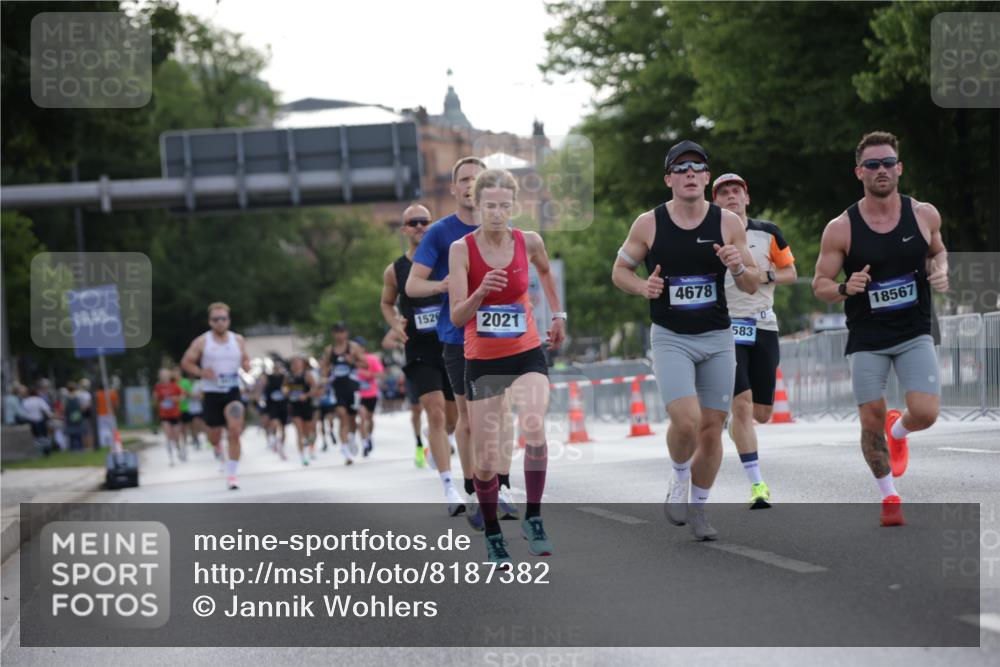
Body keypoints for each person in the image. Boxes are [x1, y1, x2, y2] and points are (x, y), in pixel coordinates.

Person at [612, 140, 759, 541]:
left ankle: (699, 507)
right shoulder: (649, 223)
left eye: (697, 167)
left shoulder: (729, 223)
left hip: (717, 336)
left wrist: (737, 265)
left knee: (713, 428)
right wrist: (644, 287)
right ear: (669, 179)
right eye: (681, 168)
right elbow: (619, 272)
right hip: (672, 337)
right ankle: (679, 476)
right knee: (687, 421)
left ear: (707, 177)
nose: (690, 173)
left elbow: (750, 283)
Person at [812, 131, 949, 527]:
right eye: (872, 165)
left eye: (888, 162)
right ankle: (889, 495)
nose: (882, 170)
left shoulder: (924, 214)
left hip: (914, 330)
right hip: (868, 337)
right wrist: (844, 287)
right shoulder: (841, 228)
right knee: (870, 416)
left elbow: (937, 251)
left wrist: (939, 271)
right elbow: (820, 282)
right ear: (860, 172)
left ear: (899, 168)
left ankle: (900, 430)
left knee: (925, 412)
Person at [449, 168, 567, 565]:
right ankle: (494, 533)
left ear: (514, 206)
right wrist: (481, 291)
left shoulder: (529, 241)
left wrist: (557, 314)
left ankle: (534, 517)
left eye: (504, 205)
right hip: (482, 359)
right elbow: (456, 316)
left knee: (534, 423)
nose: (497, 213)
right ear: (476, 205)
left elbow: (546, 271)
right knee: (484, 461)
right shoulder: (462, 250)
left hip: (526, 350)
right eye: (489, 206)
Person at [406, 158, 519, 528]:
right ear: (454, 189)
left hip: (500, 333)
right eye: (464, 180)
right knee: (469, 418)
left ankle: (502, 488)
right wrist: (444, 286)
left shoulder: (504, 228)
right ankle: (475, 492)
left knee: (501, 412)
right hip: (457, 336)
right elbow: (413, 285)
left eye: (477, 179)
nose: (471, 185)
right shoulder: (441, 233)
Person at [712, 173, 797, 509]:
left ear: (746, 198)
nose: (731, 197)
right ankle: (757, 484)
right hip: (725, 328)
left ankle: (737, 424)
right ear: (715, 201)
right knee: (742, 404)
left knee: (761, 413)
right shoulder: (707, 235)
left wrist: (764, 274)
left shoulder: (768, 232)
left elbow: (791, 271)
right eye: (723, 193)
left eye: (736, 192)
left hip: (764, 325)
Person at [381, 204, 466, 512]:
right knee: (435, 414)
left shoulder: (449, 261)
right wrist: (394, 324)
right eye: (412, 223)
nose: (419, 226)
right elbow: (386, 303)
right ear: (404, 229)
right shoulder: (396, 269)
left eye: (424, 222)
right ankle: (449, 489)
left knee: (453, 418)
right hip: (419, 350)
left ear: (432, 226)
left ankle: (439, 442)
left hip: (451, 345)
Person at [181, 302, 252, 490]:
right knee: (214, 436)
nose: (220, 322)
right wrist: (202, 372)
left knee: (235, 430)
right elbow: (186, 362)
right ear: (210, 322)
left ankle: (232, 474)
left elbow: (245, 359)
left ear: (228, 320)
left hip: (232, 391)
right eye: (216, 319)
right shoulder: (202, 342)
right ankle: (218, 448)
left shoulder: (237, 340)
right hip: (211, 393)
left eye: (223, 319)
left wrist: (246, 365)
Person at [321, 323, 368, 464]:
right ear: (333, 334)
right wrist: (324, 376)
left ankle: (352, 437)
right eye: (336, 332)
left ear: (346, 333)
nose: (339, 335)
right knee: (343, 417)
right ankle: (345, 451)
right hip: (337, 388)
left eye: (342, 331)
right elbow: (325, 367)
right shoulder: (330, 350)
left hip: (352, 388)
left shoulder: (353, 347)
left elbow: (365, 364)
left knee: (352, 419)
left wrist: (352, 361)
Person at [285, 355, 319, 466]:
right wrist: (285, 390)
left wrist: (306, 395)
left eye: (297, 362)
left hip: (306, 405)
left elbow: (314, 388)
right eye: (293, 362)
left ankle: (311, 447)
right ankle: (302, 456)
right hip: (295, 406)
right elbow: (284, 387)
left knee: (308, 430)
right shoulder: (288, 376)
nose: (295, 364)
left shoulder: (307, 375)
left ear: (302, 364)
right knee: (299, 430)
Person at [353, 338, 384, 456]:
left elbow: (381, 374)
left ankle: (369, 436)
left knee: (370, 419)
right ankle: (365, 443)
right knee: (362, 418)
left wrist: (369, 375)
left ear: (363, 348)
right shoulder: (351, 361)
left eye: (358, 347)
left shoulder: (371, 359)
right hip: (357, 395)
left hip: (371, 393)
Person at [153, 368, 185, 465]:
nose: (164, 376)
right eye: (162, 374)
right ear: (160, 376)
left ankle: (179, 449)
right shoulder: (158, 387)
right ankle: (171, 458)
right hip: (164, 415)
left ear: (169, 375)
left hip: (175, 414)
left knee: (176, 437)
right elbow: (155, 399)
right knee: (168, 436)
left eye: (166, 374)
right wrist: (155, 399)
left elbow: (183, 396)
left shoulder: (175, 386)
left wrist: (177, 398)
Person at [262, 359, 290, 460]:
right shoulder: (268, 378)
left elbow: (290, 389)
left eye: (279, 367)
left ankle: (281, 446)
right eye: (275, 367)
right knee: (274, 424)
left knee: (283, 428)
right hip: (272, 406)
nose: (277, 369)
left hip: (283, 405)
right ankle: (273, 439)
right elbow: (263, 389)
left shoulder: (284, 378)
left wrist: (286, 390)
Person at [20, 386, 54, 455]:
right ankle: (46, 450)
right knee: (44, 437)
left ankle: (38, 451)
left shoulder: (25, 401)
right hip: (40, 421)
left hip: (30, 421)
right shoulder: (39, 400)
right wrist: (51, 416)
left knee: (35, 437)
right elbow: (46, 410)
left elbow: (23, 413)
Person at [94, 382, 119, 448]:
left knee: (102, 430)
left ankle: (103, 444)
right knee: (113, 430)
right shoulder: (113, 393)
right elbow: (116, 405)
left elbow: (95, 405)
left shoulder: (97, 394)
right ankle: (114, 444)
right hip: (111, 414)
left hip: (101, 414)